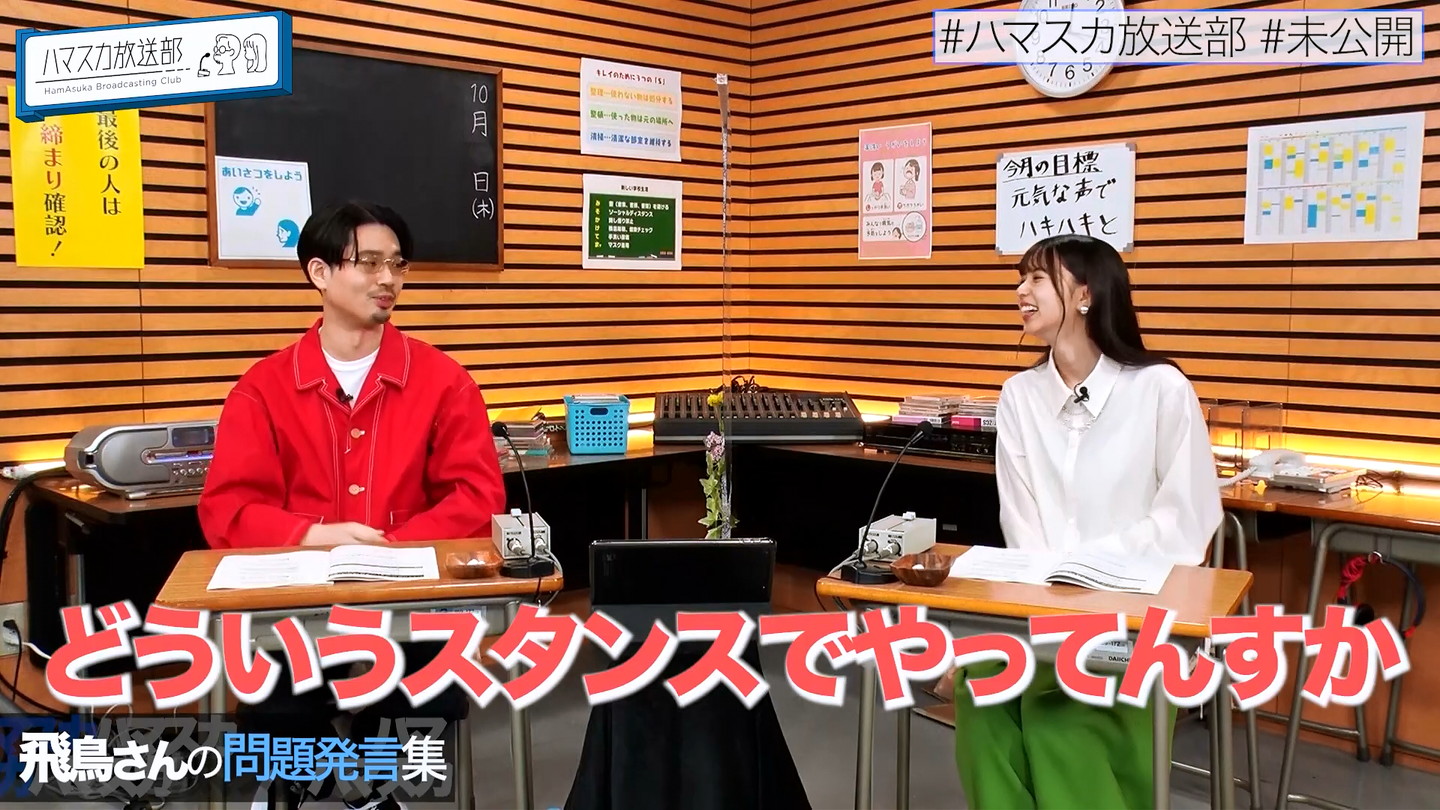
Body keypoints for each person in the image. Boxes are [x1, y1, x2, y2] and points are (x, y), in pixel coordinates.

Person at [198, 200, 508, 809]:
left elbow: (476, 498)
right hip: (292, 616)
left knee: (433, 689)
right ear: (319, 273)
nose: (388, 278)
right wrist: (313, 535)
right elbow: (228, 508)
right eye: (368, 263)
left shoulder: (446, 382)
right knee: (273, 699)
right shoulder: (261, 389)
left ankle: (361, 788)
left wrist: (389, 549)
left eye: (397, 264)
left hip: (412, 608)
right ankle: (350, 789)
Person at [951, 233, 1222, 809]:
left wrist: (1088, 570)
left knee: (1062, 726)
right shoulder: (1019, 396)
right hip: (1038, 613)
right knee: (979, 695)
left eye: (1037, 278)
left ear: (1084, 295)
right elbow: (1020, 521)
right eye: (1020, 279)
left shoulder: (1160, 388)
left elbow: (1186, 520)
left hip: (1135, 619)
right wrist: (1054, 591)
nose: (1020, 291)